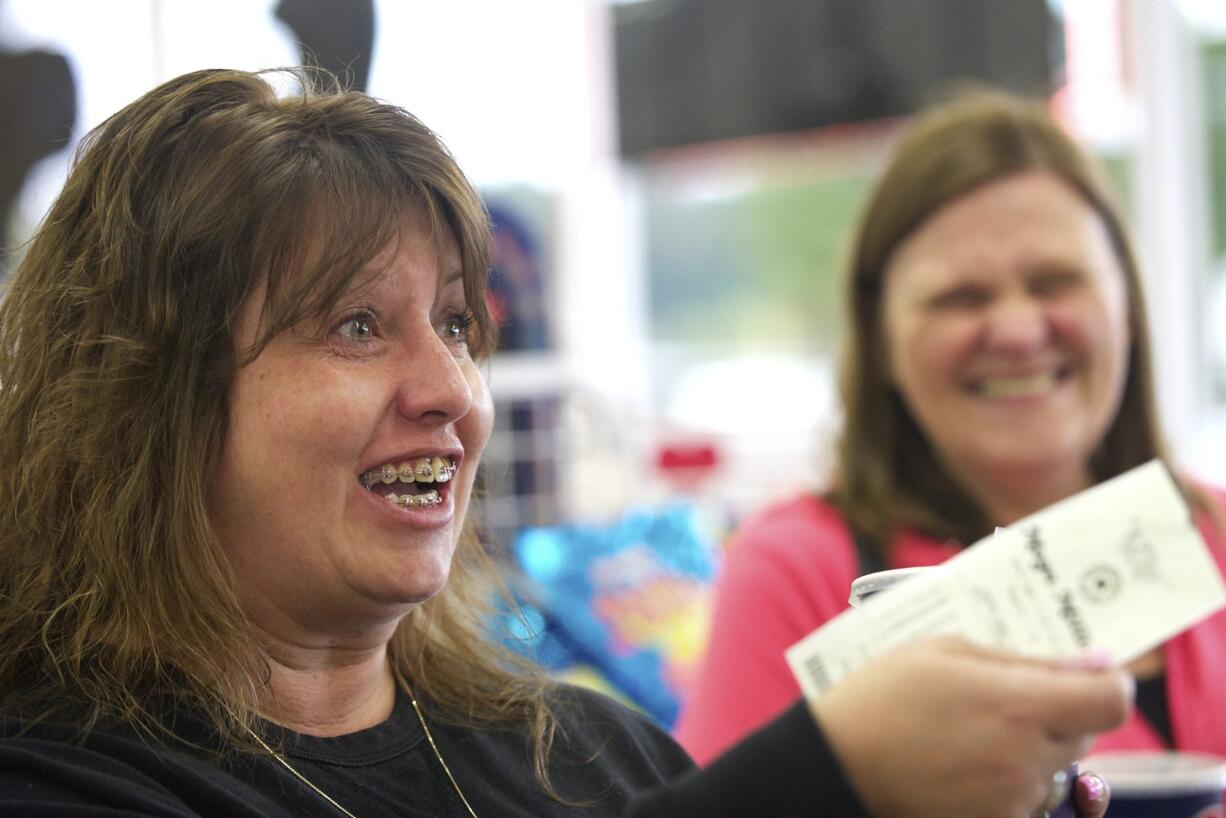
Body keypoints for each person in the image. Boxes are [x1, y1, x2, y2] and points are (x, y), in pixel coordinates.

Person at [0, 68, 1127, 818]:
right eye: (355, 325)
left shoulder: (588, 755)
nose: (453, 388)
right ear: (144, 392)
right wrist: (825, 777)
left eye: (454, 322)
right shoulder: (57, 774)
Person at [675, 89, 1226, 767]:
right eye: (960, 298)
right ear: (879, 342)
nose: (1020, 332)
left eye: (1055, 282)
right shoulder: (799, 574)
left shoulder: (1215, 535)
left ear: (1127, 305)